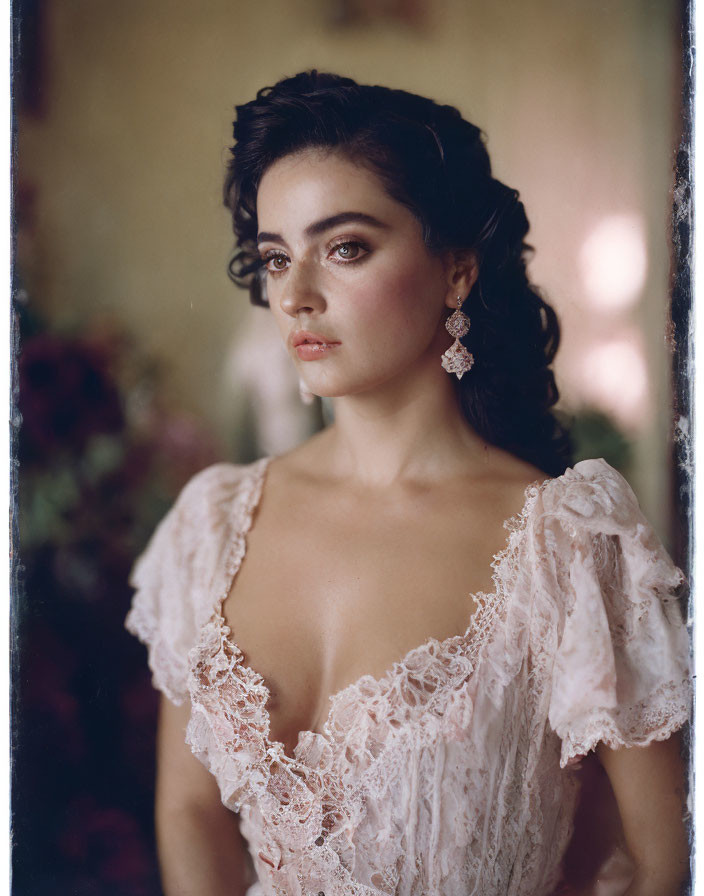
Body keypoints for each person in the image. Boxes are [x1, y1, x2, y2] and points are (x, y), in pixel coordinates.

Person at [125, 71, 692, 896]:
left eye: (345, 247)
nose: (295, 295)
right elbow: (190, 813)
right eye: (276, 256)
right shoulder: (211, 524)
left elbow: (663, 860)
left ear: (456, 272)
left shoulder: (567, 542)